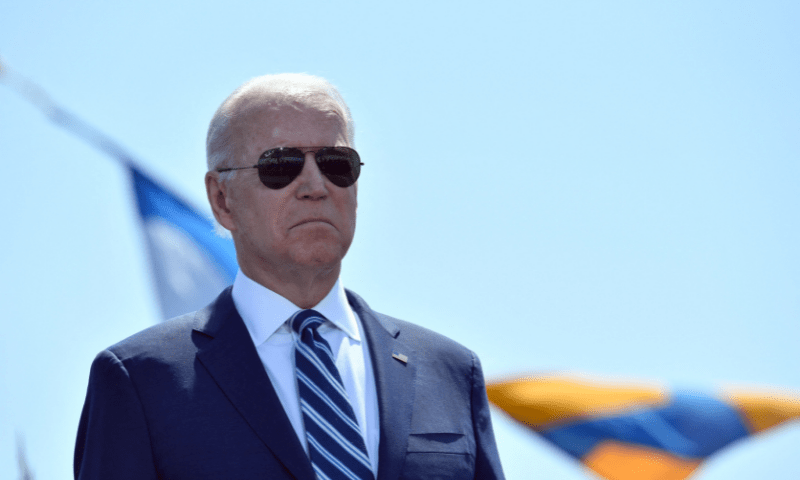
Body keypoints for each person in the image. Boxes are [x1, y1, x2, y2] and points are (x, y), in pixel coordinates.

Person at [74, 74, 505, 480]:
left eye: (337, 163)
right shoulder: (141, 380)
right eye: (281, 166)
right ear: (222, 199)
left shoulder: (450, 371)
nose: (315, 185)